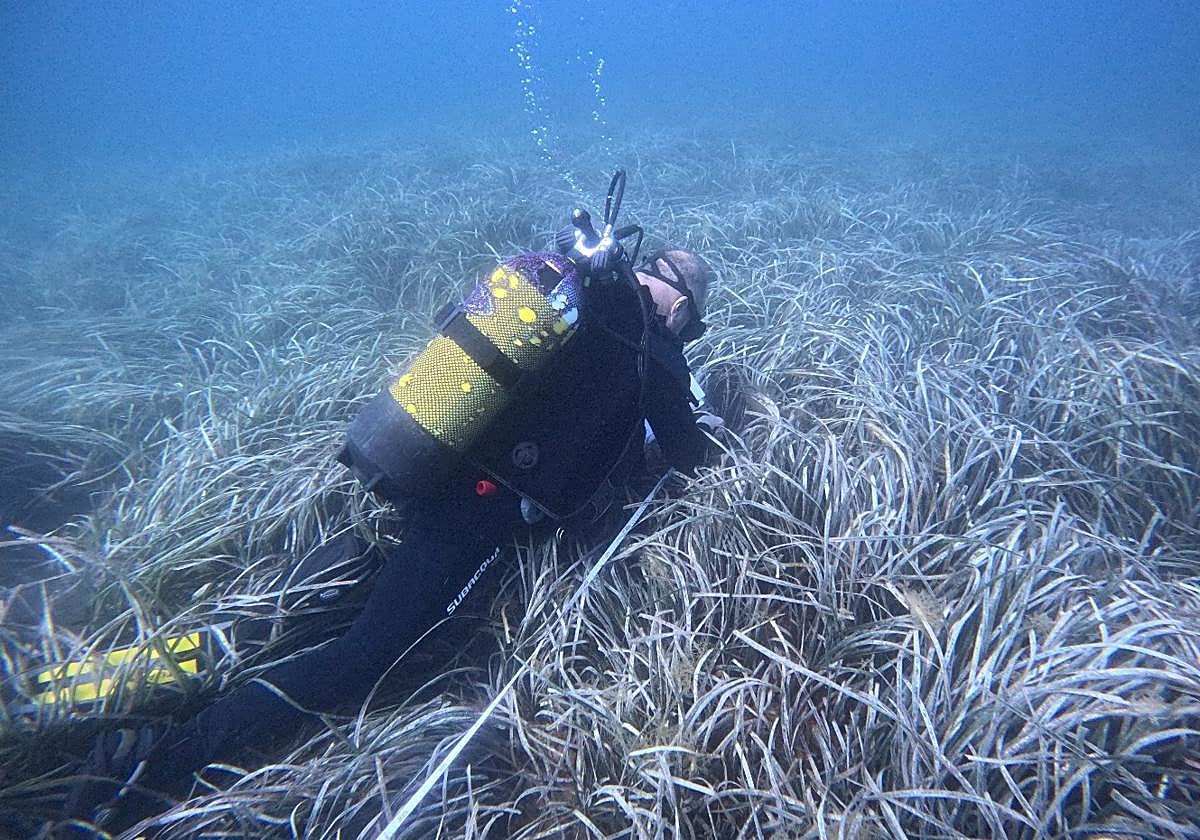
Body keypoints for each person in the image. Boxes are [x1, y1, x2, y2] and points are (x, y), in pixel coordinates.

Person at [58, 223, 719, 835]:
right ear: (680, 304)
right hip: (475, 514)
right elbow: (689, 454)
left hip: (427, 467)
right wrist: (712, 422)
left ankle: (137, 674)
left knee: (317, 608)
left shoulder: (572, 292)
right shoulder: (654, 350)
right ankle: (157, 760)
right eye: (689, 317)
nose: (682, 326)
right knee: (372, 655)